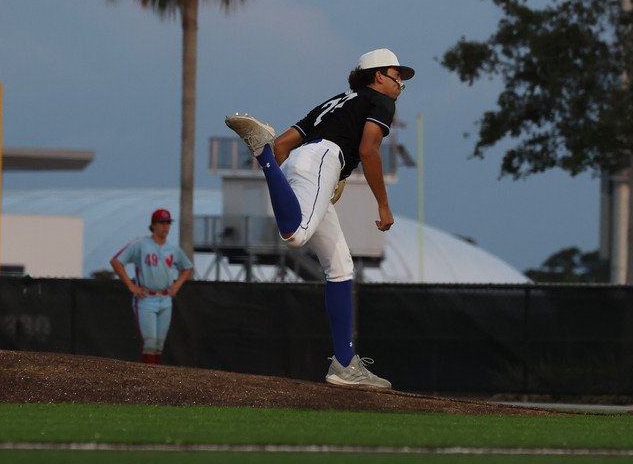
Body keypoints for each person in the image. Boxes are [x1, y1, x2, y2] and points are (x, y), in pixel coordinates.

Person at [225, 47, 414, 389]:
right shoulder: (381, 102)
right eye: (396, 74)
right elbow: (369, 150)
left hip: (308, 159)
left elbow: (283, 144)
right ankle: (259, 151)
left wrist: (298, 176)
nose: (400, 81)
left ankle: (343, 364)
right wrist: (383, 205)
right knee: (295, 235)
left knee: (341, 266)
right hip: (326, 159)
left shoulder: (335, 101)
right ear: (377, 76)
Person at [110, 209, 193, 364]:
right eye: (161, 222)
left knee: (159, 344)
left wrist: (177, 284)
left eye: (168, 223)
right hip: (146, 298)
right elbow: (116, 261)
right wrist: (130, 285)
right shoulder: (141, 244)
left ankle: (155, 381)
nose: (165, 226)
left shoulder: (173, 249)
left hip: (165, 298)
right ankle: (147, 379)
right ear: (153, 225)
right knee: (150, 342)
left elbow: (188, 267)